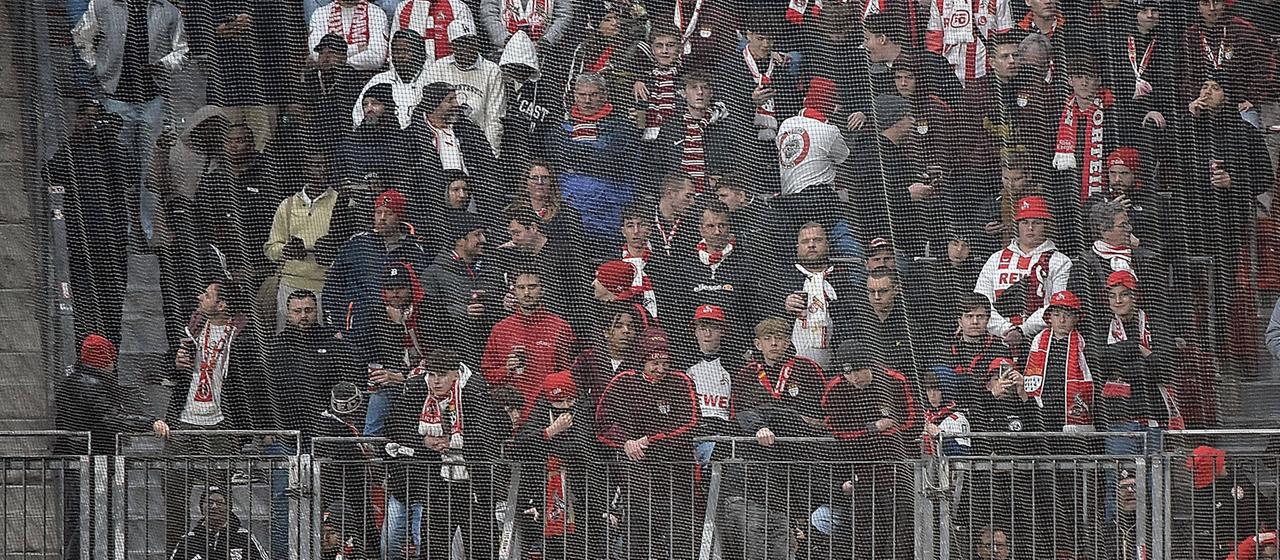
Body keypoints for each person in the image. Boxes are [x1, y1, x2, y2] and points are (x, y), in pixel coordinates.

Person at [71, 0, 187, 244]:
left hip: (152, 99)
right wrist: (97, 66)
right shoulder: (102, 5)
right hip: (115, 99)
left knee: (150, 167)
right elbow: (81, 35)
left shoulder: (168, 10)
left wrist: (162, 65)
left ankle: (148, 230)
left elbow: (182, 49)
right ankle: (119, 228)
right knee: (117, 165)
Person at [385, 348, 507, 560]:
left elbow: (494, 431)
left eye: (442, 375)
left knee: (481, 548)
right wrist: (424, 441)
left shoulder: (475, 390)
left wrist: (455, 442)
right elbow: (394, 426)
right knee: (433, 548)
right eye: (432, 375)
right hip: (438, 484)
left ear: (456, 375)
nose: (436, 381)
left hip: (474, 485)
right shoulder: (417, 389)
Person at [595, 327, 699, 560]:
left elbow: (691, 422)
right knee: (637, 546)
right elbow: (602, 422)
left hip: (676, 480)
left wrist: (651, 441)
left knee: (681, 545)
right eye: (655, 363)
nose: (661, 369)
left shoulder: (681, 382)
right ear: (642, 360)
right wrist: (625, 442)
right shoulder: (624, 381)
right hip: (637, 481)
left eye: (665, 363)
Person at [321, 189, 430, 361]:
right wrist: (333, 328)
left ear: (400, 216)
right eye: (378, 212)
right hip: (355, 332)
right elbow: (332, 286)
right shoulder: (358, 243)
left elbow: (420, 291)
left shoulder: (414, 249)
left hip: (396, 335)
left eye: (389, 213)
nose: (382, 218)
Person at [511, 371, 602, 560]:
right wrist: (550, 431)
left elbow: (582, 448)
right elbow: (520, 444)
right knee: (549, 549)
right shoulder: (539, 413)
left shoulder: (582, 412)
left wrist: (551, 447)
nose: (566, 406)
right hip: (543, 496)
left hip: (579, 494)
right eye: (560, 402)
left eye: (570, 400)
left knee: (580, 548)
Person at [652, 202, 756, 356]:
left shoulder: (746, 263)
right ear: (700, 229)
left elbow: (753, 310)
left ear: (729, 227)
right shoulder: (685, 265)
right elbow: (677, 312)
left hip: (737, 351)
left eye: (722, 225)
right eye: (710, 226)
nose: (717, 232)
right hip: (692, 352)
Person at [547, 72, 640, 243]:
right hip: (571, 217)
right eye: (582, 95)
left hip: (609, 216)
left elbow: (610, 162)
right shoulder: (561, 129)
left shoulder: (622, 126)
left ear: (604, 95)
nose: (587, 100)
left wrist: (574, 155)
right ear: (575, 96)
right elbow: (558, 158)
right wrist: (596, 154)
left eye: (593, 94)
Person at [974, 196, 1073, 349]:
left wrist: (1022, 330)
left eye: (1036, 222)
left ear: (1046, 225)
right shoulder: (996, 258)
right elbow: (981, 301)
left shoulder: (1060, 261)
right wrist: (1005, 329)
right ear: (1017, 225)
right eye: (1024, 222)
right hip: (995, 341)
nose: (1030, 228)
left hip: (1043, 342)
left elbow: (1058, 305)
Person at [715, 17, 799, 194]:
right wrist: (750, 102)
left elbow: (791, 104)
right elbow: (724, 108)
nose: (766, 44)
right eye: (760, 38)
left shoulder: (780, 67)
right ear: (749, 35)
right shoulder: (729, 66)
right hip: (741, 144)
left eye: (770, 39)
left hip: (775, 145)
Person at [760, 222, 858, 370]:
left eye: (817, 240)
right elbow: (761, 316)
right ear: (797, 247)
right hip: (788, 364)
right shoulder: (780, 279)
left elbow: (852, 318)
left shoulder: (842, 278)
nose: (811, 245)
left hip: (836, 364)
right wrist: (783, 305)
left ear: (827, 245)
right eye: (805, 241)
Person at [480, 270, 577, 419]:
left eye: (532, 287)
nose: (526, 293)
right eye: (521, 287)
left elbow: (569, 374)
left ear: (542, 289)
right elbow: (487, 375)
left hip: (548, 410)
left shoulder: (559, 327)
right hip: (511, 414)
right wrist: (506, 369)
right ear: (514, 291)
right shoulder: (500, 329)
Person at [263, 155, 341, 332]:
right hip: (289, 285)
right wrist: (287, 250)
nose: (321, 170)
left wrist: (330, 253)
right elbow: (270, 248)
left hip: (325, 287)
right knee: (287, 340)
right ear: (305, 169)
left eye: (325, 166)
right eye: (315, 165)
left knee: (322, 340)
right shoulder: (287, 205)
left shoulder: (342, 203)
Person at [773, 76, 849, 253]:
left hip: (789, 202)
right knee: (840, 239)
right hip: (819, 200)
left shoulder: (787, 123)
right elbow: (844, 157)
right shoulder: (829, 130)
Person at [1050, 57, 1116, 254]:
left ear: (1099, 80)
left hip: (1101, 192)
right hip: (1067, 192)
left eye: (1090, 77)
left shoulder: (1112, 111)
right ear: (1070, 80)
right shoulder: (1060, 111)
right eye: (1079, 77)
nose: (1085, 83)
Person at [408, 81, 500, 222]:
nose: (456, 104)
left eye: (455, 99)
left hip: (473, 201)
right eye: (450, 100)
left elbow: (489, 166)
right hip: (432, 206)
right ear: (434, 104)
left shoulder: (470, 131)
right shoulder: (413, 136)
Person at [422, 19, 507, 151]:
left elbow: (494, 118)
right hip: (442, 141)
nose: (466, 48)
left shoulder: (492, 70)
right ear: (452, 46)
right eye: (461, 43)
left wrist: (490, 152)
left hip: (477, 144)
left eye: (470, 42)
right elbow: (427, 109)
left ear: (476, 42)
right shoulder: (438, 67)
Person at [643, 71, 733, 194]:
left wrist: (720, 178)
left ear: (711, 93)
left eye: (705, 87)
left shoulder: (724, 129)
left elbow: (733, 165)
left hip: (713, 196)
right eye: (693, 87)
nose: (700, 92)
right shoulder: (670, 128)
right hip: (677, 196)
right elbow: (656, 166)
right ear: (684, 93)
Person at [421, 211, 490, 366]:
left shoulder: (489, 269)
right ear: (460, 240)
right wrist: (461, 311)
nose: (483, 240)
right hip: (453, 357)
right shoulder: (433, 274)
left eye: (483, 234)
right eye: (477, 235)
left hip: (487, 353)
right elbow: (428, 318)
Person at [1023, 290, 1095, 435]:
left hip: (1070, 407)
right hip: (1042, 408)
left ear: (1076, 318)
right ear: (1049, 317)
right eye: (1056, 315)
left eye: (1067, 315)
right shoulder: (1038, 340)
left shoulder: (1084, 343)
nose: (1061, 320)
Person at [498, 33, 562, 177]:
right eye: (515, 66)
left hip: (534, 155)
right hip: (504, 155)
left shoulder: (546, 89)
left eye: (523, 67)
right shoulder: (498, 84)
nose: (518, 70)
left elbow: (553, 127)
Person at [351, 29, 430, 129]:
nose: (400, 56)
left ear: (419, 53)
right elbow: (358, 117)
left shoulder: (430, 79)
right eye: (396, 51)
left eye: (405, 51)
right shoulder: (379, 80)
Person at [167, 486, 269, 560]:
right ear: (202, 508)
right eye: (209, 502)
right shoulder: (188, 540)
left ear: (228, 508)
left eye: (220, 503)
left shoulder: (244, 537)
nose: (214, 507)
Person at [571, 302, 643, 404]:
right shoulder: (587, 359)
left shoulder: (640, 361)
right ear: (606, 332)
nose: (626, 331)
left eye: (631, 327)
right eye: (618, 326)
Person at [924, 0, 1012, 82]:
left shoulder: (998, 1)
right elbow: (934, 43)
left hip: (986, 73)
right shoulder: (939, 2)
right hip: (950, 76)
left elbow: (1006, 38)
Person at [307, 0, 389, 72]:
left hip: (365, 76)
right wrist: (357, 49)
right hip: (328, 77)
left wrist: (338, 62)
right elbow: (316, 54)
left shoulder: (376, 13)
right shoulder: (320, 14)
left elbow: (377, 57)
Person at [390, 0, 475, 62]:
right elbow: (393, 47)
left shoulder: (458, 7)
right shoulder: (403, 8)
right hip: (414, 74)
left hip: (449, 72)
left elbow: (469, 45)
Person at [480, 0, 574, 53]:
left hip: (543, 53)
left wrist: (547, 40)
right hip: (503, 52)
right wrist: (504, 39)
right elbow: (488, 13)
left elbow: (564, 14)